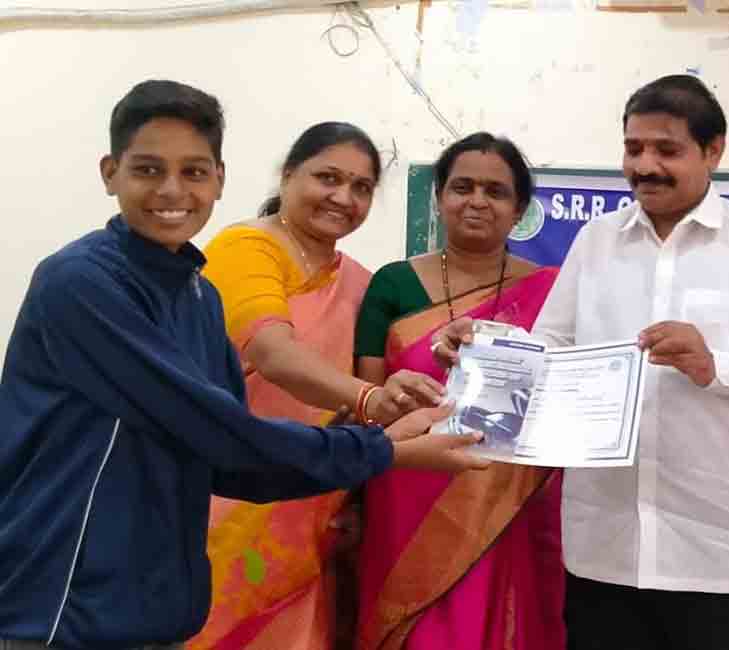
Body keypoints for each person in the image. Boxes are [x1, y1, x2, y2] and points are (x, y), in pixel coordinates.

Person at [0, 79, 487, 650]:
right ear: (110, 173)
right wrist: (385, 447)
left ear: (221, 178)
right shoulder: (82, 284)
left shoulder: (199, 295)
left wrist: (387, 425)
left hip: (163, 600)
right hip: (68, 603)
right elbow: (219, 428)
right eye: (149, 170)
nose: (172, 190)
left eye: (195, 172)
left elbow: (232, 464)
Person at [435, 76, 729, 650]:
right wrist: (487, 346)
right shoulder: (595, 242)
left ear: (713, 150)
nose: (644, 165)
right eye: (633, 148)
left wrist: (715, 364)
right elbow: (550, 352)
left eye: (666, 150)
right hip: (606, 557)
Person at [189, 123, 439, 650]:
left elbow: (378, 386)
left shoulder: (362, 283)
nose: (343, 198)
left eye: (361, 187)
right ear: (287, 175)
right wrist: (369, 397)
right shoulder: (245, 248)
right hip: (228, 499)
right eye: (327, 178)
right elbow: (272, 353)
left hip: (313, 507)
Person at [353, 132, 564, 650]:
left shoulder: (554, 290)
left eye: (495, 191)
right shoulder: (392, 284)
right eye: (462, 186)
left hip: (506, 498)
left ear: (519, 210)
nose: (476, 201)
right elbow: (365, 395)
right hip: (407, 487)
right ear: (440, 197)